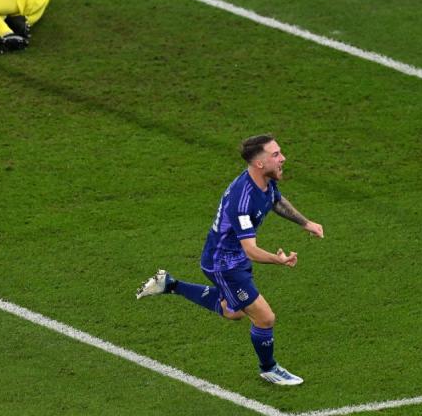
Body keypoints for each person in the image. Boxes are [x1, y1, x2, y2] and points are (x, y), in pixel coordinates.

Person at [136, 134, 324, 386]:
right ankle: (269, 368)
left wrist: (306, 223)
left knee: (232, 312)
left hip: (231, 259)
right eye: (276, 155)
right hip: (224, 264)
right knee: (265, 317)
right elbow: (251, 250)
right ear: (260, 163)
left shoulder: (263, 182)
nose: (283, 158)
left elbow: (275, 200)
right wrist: (278, 261)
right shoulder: (242, 199)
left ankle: (170, 284)